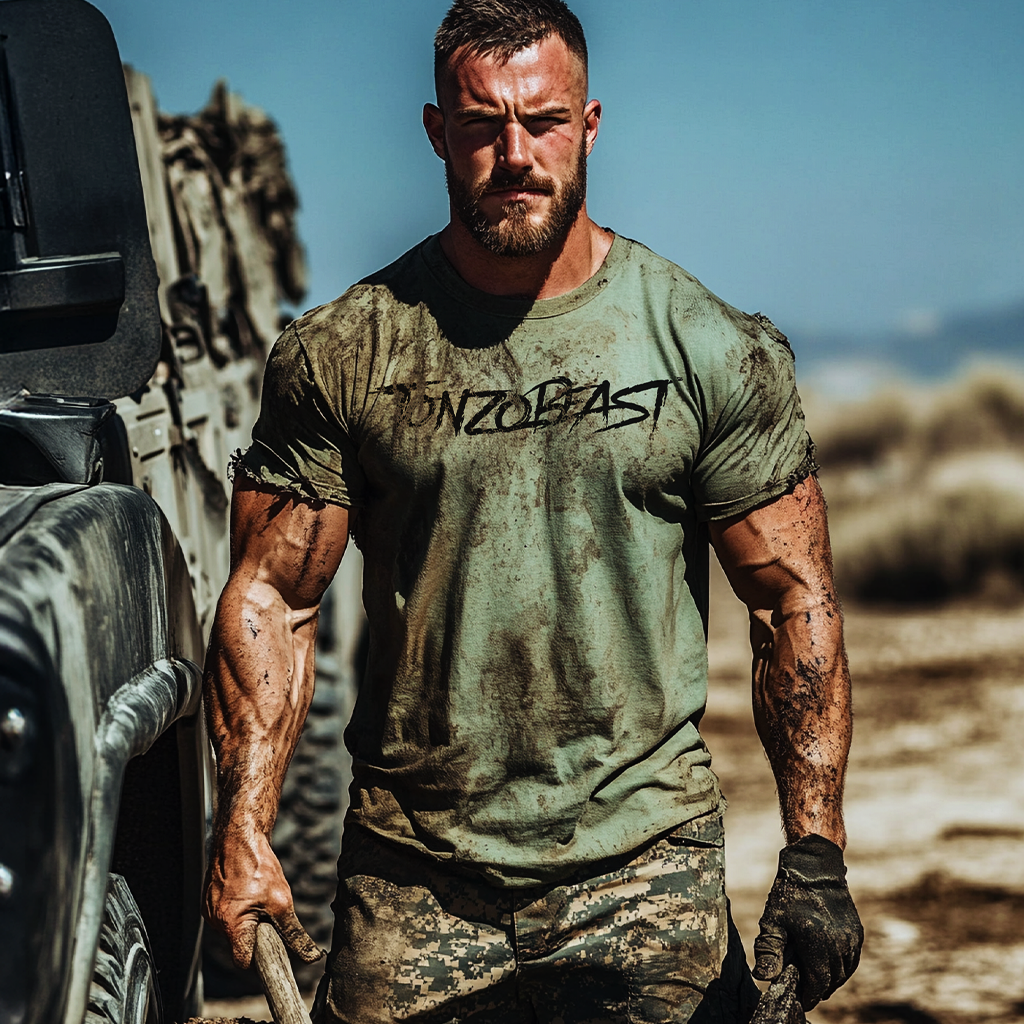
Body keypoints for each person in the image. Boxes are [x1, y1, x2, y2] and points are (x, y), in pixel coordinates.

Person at [202, 1, 863, 1020]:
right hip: (414, 875)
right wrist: (244, 826)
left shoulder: (708, 347)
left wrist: (813, 851)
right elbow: (274, 600)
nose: (515, 154)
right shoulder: (343, 353)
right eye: (482, 125)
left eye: (543, 121)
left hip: (646, 868)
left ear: (589, 123)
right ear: (437, 133)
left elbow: (791, 600)